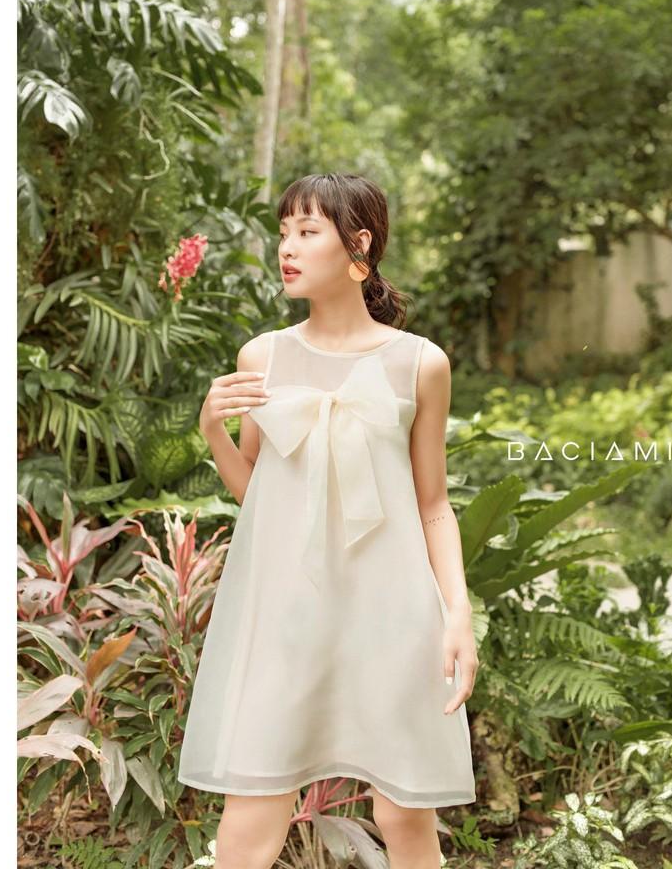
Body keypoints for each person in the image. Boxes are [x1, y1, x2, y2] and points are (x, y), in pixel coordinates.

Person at [179, 172, 478, 869]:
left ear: (358, 247)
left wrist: (457, 613)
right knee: (251, 817)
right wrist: (213, 431)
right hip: (288, 613)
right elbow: (258, 493)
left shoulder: (420, 364)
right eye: (283, 232)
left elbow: (433, 503)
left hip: (393, 613)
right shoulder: (263, 357)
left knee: (404, 814)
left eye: (307, 232)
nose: (286, 247)